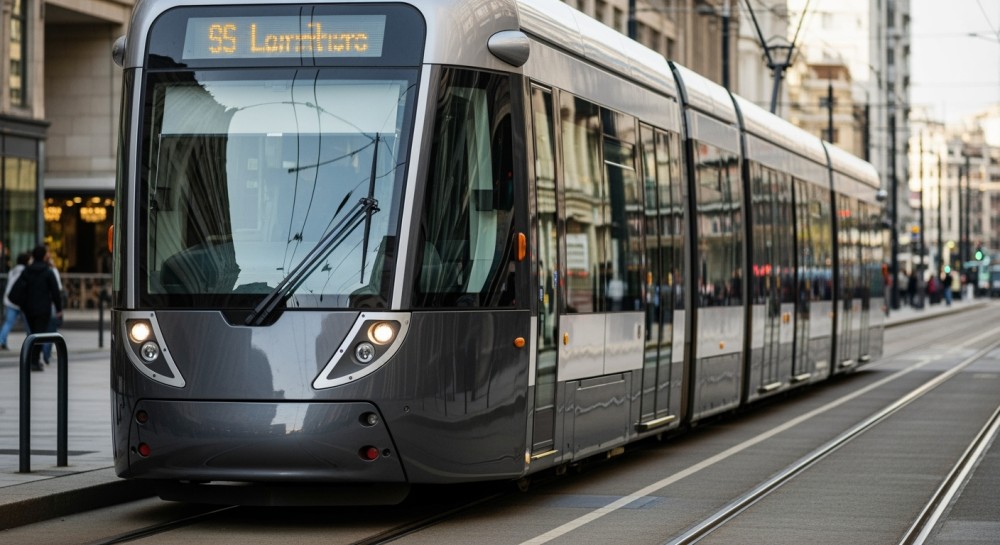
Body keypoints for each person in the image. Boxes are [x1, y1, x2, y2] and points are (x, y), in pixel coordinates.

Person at [20, 245, 63, 371]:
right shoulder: (48, 272)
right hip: (43, 308)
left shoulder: (26, 271)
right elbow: (55, 292)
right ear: (44, 256)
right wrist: (59, 309)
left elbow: (20, 288)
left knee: (32, 334)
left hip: (29, 308)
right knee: (39, 334)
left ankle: (32, 360)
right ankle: (34, 360)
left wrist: (23, 305)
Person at [0, 252, 30, 349]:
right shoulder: (26, 271)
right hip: (21, 302)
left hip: (9, 300)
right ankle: (31, 343)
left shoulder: (13, 270)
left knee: (8, 323)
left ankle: (1, 341)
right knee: (28, 325)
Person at [41, 253, 64, 364]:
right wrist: (59, 309)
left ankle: (41, 354)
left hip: (39, 306)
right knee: (51, 330)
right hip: (51, 305)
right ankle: (46, 354)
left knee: (40, 331)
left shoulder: (38, 271)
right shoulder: (52, 271)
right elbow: (57, 291)